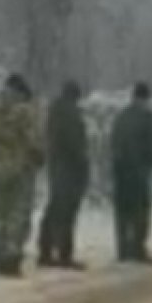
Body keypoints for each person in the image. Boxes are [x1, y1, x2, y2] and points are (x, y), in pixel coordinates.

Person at [0, 73, 44, 277]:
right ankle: (12, 257)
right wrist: (37, 156)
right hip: (20, 167)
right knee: (18, 214)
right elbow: (33, 140)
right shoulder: (24, 111)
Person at [38, 80, 89, 270]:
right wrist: (82, 165)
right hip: (69, 168)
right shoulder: (70, 114)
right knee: (67, 212)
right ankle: (64, 254)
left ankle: (45, 250)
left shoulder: (54, 111)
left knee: (54, 208)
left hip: (56, 166)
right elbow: (76, 144)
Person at [112, 82, 152, 263]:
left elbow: (114, 144)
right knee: (140, 212)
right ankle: (138, 248)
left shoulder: (121, 117)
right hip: (139, 173)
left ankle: (122, 249)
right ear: (145, 99)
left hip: (121, 173)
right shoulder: (148, 118)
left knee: (122, 212)